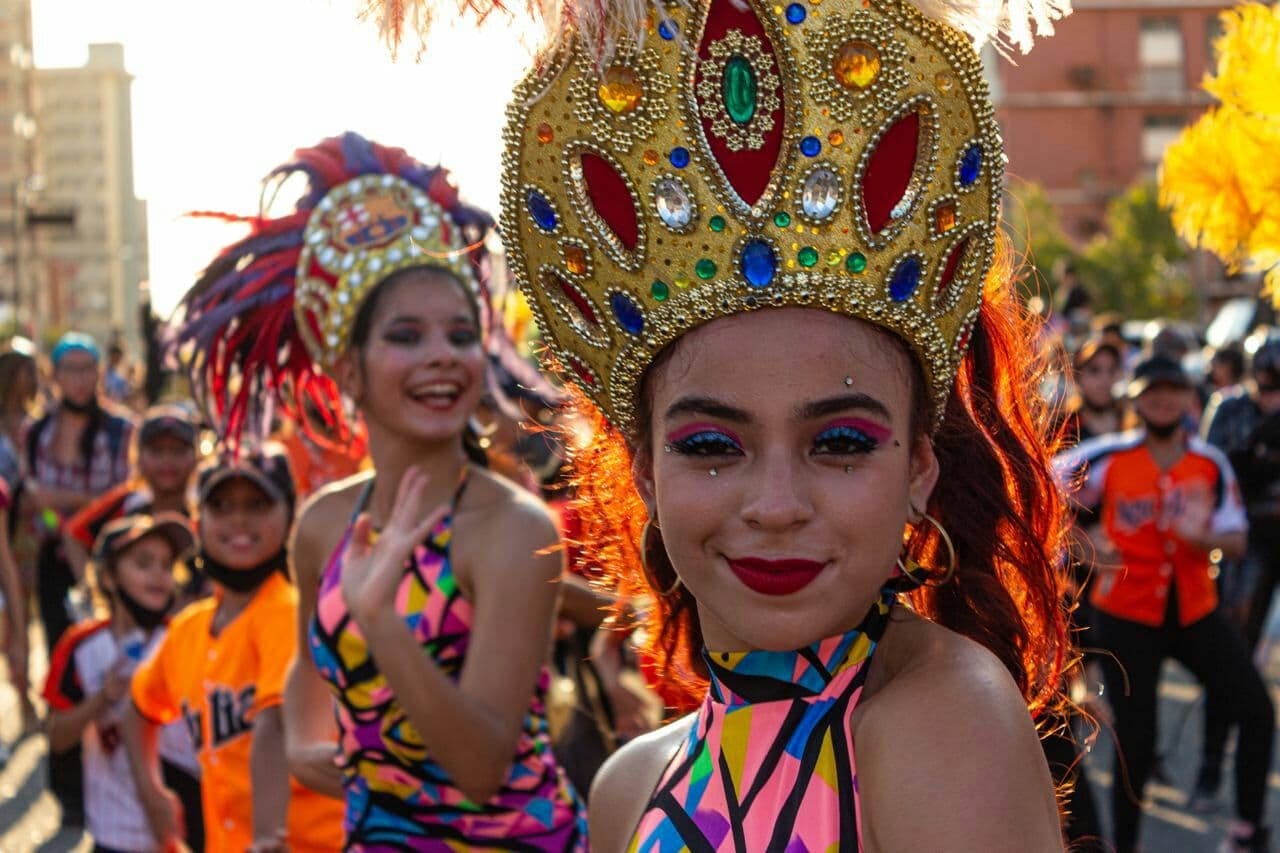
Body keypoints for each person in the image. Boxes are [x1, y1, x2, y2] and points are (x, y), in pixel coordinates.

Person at [374, 0, 1079, 845]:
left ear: (918, 468)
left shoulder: (942, 719)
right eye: (712, 446)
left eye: (841, 443)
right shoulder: (629, 786)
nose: (775, 503)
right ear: (643, 474)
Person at [171, 133, 585, 849]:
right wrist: (308, 748)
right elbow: (307, 660)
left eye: (460, 334)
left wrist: (381, 620)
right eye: (406, 335)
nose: (441, 355)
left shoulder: (515, 528)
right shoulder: (326, 522)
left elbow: (482, 766)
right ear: (350, 370)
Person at [1055, 354, 1274, 852]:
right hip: (1126, 616)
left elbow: (1238, 538)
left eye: (1174, 389)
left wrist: (1205, 536)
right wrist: (1082, 538)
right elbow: (1043, 491)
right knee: (1135, 743)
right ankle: (1127, 845)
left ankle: (1246, 829)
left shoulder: (1207, 462)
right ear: (1137, 398)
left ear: (1190, 399)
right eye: (1153, 389)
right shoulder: (1110, 456)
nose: (1163, 398)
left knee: (1256, 709)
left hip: (1195, 611)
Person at [123, 449, 344, 852]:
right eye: (221, 506)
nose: (238, 520)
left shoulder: (289, 612)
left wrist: (266, 838)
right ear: (198, 521)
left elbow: (272, 728)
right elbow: (138, 708)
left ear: (289, 515)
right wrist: (152, 793)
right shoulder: (189, 627)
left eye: (257, 505)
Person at [43, 513, 202, 853]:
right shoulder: (81, 646)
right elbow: (56, 737)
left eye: (166, 565)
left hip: (185, 829)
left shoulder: (186, 638)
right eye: (144, 563)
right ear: (109, 577)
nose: (159, 575)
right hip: (114, 833)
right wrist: (102, 698)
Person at [25, 331, 134, 828]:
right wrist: (60, 520)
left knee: (116, 666)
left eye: (86, 368)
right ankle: (70, 788)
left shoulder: (118, 431)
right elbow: (35, 508)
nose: (78, 378)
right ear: (55, 375)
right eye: (68, 368)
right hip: (56, 565)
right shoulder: (38, 432)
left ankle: (121, 776)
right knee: (65, 670)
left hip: (111, 565)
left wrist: (65, 507)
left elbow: (119, 496)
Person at [1196, 332, 1280, 808]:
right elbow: (1211, 472)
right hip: (1247, 542)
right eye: (1268, 389)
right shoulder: (1230, 409)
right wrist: (1257, 450)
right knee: (1231, 655)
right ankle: (1210, 760)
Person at [63, 406, 199, 583]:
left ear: (195, 458)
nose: (167, 460)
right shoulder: (126, 502)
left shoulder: (208, 510)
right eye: (157, 451)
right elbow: (73, 534)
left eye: (178, 451)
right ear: (138, 457)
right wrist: (92, 592)